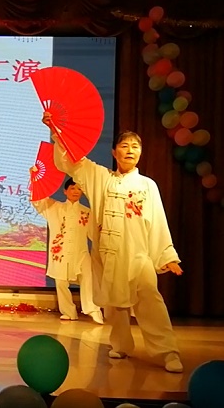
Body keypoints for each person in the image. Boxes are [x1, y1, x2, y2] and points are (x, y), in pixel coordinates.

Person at [45, 112, 184, 373]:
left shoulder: (147, 186)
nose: (130, 150)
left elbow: (158, 221)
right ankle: (120, 345)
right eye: (124, 145)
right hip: (108, 255)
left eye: (135, 147)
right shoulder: (100, 177)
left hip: (138, 255)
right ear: (114, 151)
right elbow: (72, 162)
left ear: (140, 153)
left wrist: (167, 255)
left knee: (150, 302)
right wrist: (56, 130)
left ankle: (168, 352)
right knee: (115, 306)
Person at [31, 177, 103, 324]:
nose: (76, 191)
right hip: (60, 253)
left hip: (81, 252)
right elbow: (38, 201)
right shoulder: (54, 207)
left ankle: (93, 309)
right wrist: (35, 180)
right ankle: (68, 311)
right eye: (72, 188)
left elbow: (93, 235)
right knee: (61, 282)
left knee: (88, 279)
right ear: (65, 191)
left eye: (79, 189)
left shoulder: (86, 212)